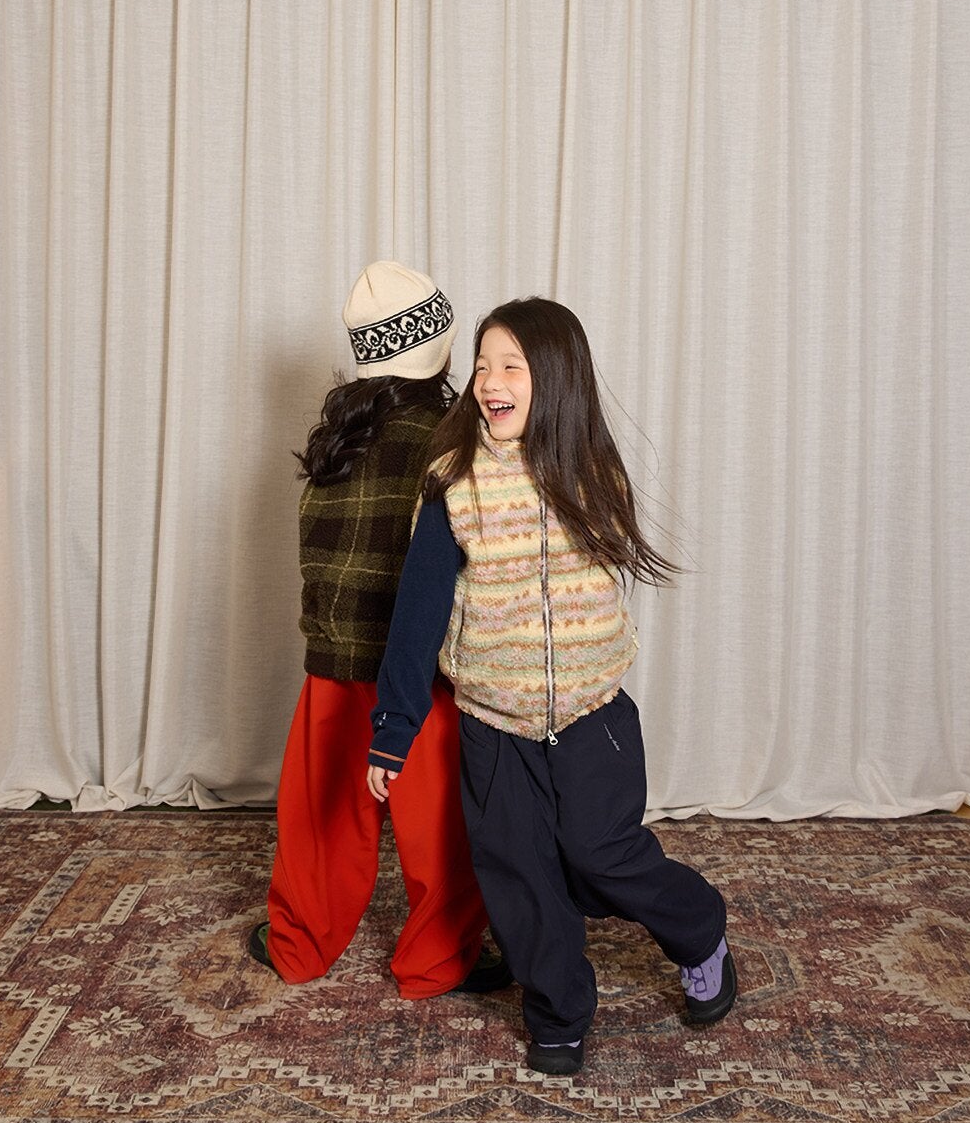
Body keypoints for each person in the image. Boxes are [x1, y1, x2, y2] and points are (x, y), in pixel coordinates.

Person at [367, 297, 734, 1073]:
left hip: (593, 715)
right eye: (481, 365)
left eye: (512, 365)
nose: (489, 381)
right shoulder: (453, 483)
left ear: (556, 379)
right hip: (494, 724)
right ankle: (558, 1009)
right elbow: (418, 613)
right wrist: (393, 728)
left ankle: (700, 930)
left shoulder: (591, 472)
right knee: (520, 873)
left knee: (601, 856)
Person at [251, 261, 503, 998]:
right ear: (442, 350)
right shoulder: (455, 440)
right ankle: (437, 960)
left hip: (333, 660)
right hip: (417, 671)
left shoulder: (338, 435)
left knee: (319, 821)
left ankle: (300, 943)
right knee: (442, 828)